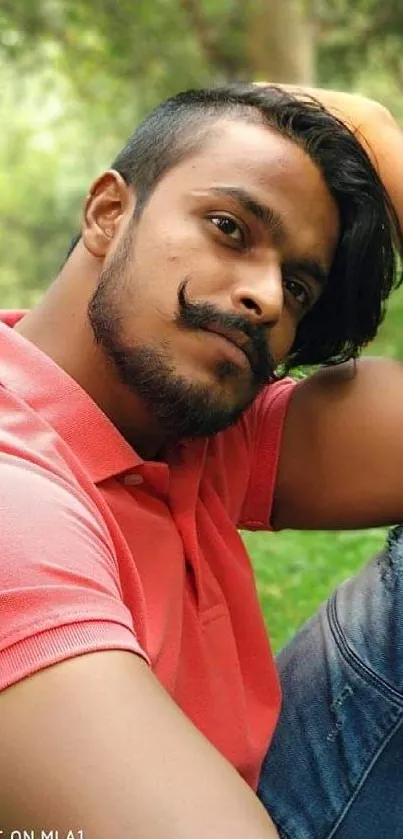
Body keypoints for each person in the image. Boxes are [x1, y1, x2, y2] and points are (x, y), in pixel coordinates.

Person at [0, 81, 402, 837]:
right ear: (107, 213)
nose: (266, 298)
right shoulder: (14, 505)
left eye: (299, 285)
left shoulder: (195, 435)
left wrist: (382, 140)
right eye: (229, 227)